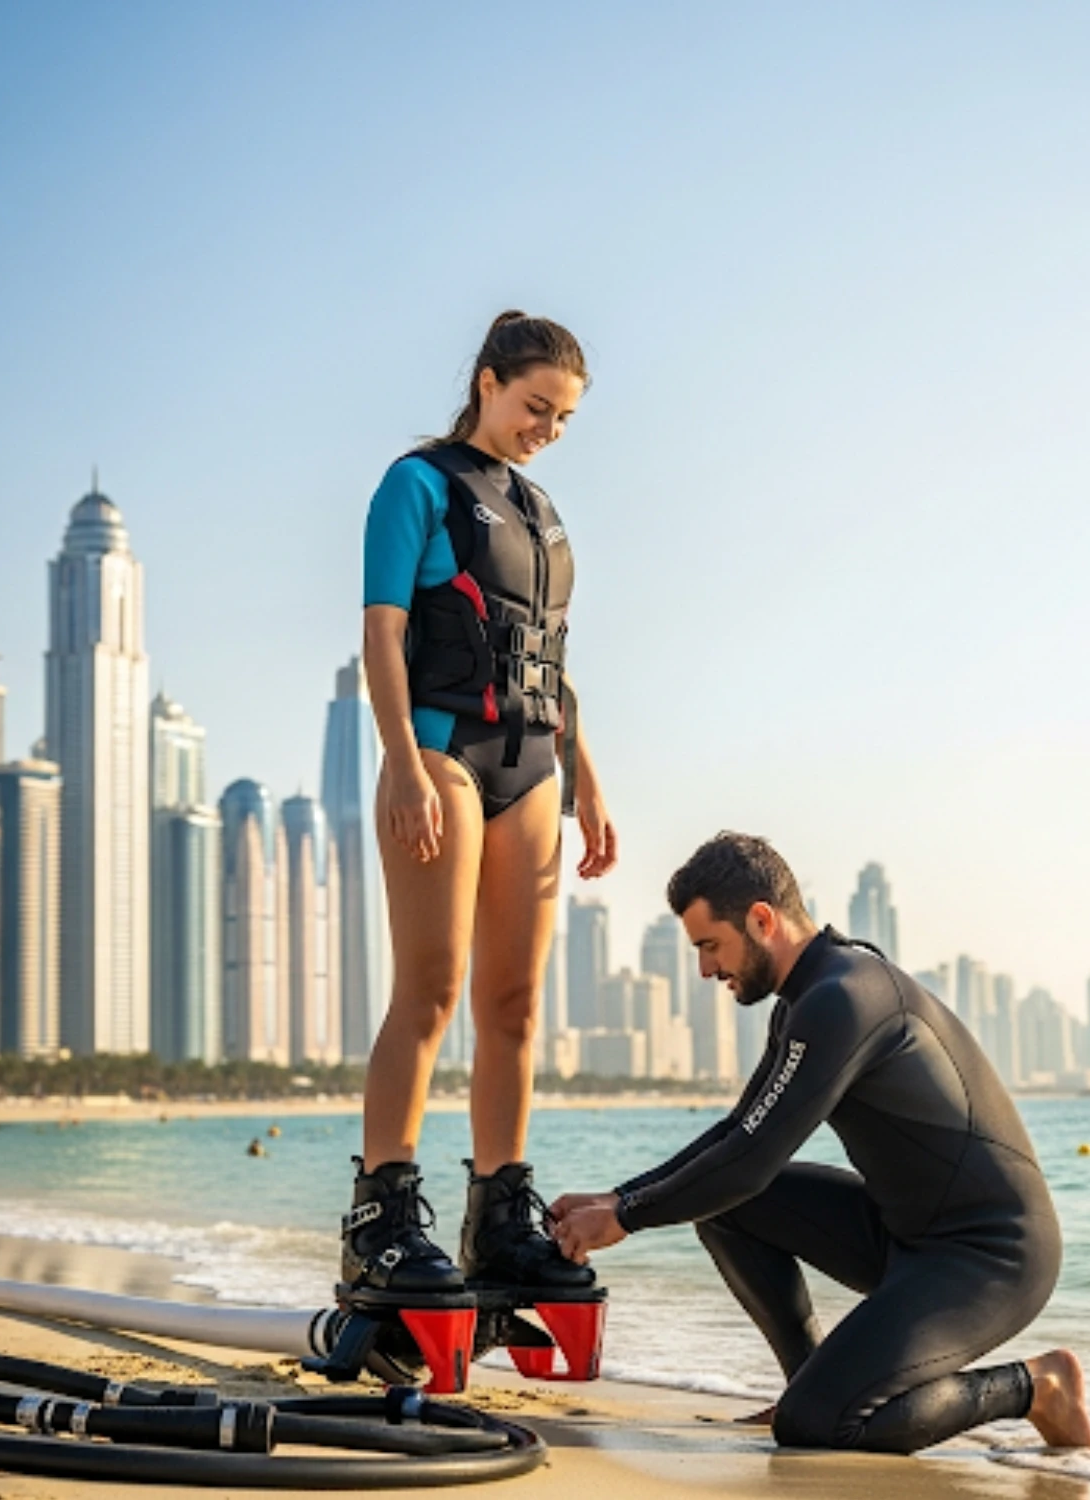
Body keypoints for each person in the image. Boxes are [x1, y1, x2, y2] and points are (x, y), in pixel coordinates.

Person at [550, 832, 1090, 1454]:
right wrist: (617, 1196)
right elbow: (737, 1134)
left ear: (761, 919)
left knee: (819, 1427)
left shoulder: (846, 998)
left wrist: (624, 1217)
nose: (705, 968)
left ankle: (1038, 1387)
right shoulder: (805, 1001)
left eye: (710, 945)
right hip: (904, 1237)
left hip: (991, 1257)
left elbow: (751, 1161)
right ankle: (806, 1381)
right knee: (725, 1207)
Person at [344, 311, 617, 1306]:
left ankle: (499, 1217)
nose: (547, 426)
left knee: (516, 1005)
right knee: (432, 990)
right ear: (490, 382)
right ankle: (380, 1215)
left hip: (536, 764)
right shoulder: (416, 485)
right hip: (443, 750)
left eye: (565, 417)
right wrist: (404, 762)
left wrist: (587, 775)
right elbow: (381, 635)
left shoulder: (544, 515)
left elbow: (550, 655)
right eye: (535, 405)